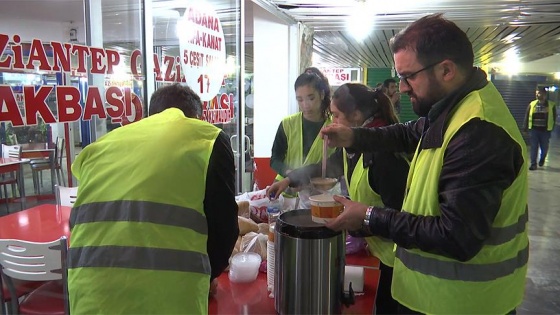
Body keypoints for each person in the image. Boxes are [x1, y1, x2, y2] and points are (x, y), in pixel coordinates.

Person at [322, 13, 529, 314]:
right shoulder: (454, 108)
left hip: (463, 303)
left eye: (409, 76)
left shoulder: (478, 132)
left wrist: (369, 216)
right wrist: (353, 137)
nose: (402, 87)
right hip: (434, 297)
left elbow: (456, 236)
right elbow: (409, 133)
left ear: (446, 69)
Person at [67, 83, 239, 314]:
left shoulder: (99, 147)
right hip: (166, 301)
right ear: (197, 118)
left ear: (150, 116)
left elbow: (79, 224)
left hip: (88, 297)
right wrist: (208, 275)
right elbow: (225, 228)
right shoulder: (205, 138)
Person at [267, 83, 409, 314]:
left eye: (335, 115)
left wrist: (362, 223)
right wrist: (289, 180)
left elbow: (405, 218)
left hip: (400, 263)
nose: (331, 122)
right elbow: (328, 167)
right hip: (382, 255)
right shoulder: (354, 146)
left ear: (356, 116)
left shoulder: (384, 156)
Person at [270, 67, 334, 191]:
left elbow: (336, 163)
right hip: (285, 190)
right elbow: (275, 159)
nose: (305, 105)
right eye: (300, 99)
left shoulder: (333, 126)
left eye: (311, 98)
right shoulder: (287, 124)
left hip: (318, 193)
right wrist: (290, 174)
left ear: (321, 95)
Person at [524, 86, 556, 170]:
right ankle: (533, 164)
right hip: (534, 130)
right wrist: (525, 128)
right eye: (536, 93)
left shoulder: (551, 105)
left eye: (539, 93)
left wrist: (551, 127)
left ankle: (542, 159)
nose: (537, 95)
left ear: (544, 94)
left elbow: (554, 117)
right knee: (534, 147)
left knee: (544, 148)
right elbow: (527, 116)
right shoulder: (532, 104)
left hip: (545, 131)